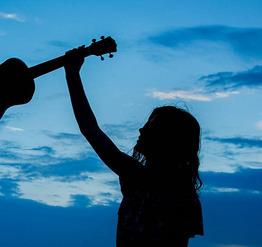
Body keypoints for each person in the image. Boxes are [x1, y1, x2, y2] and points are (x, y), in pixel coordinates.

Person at [64, 48, 204, 246]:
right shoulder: (137, 177)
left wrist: (72, 74)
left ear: (168, 139)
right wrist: (72, 75)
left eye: (150, 127)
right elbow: (89, 129)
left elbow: (90, 129)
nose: (141, 130)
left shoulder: (174, 195)